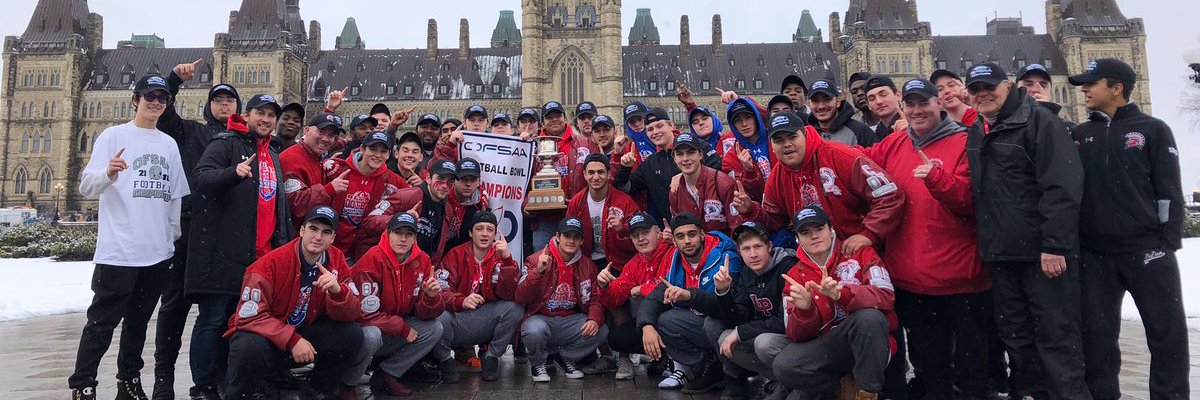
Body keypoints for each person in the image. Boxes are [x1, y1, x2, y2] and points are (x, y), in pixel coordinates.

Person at [963, 62, 1089, 399]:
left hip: (1042, 256)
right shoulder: (978, 130)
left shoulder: (1040, 122)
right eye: (975, 90)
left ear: (1008, 86)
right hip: (1003, 254)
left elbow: (1061, 187)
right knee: (1016, 337)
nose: (982, 94)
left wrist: (1055, 245)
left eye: (989, 86)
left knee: (1057, 339)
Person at [862, 78, 992, 399]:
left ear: (938, 103)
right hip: (913, 283)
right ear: (903, 107)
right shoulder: (895, 143)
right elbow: (858, 159)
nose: (918, 110)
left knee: (972, 370)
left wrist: (936, 178)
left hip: (961, 282)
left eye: (924, 103)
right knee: (929, 368)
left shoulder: (966, 141)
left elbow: (973, 201)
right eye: (912, 104)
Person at [1070, 58, 1188, 400]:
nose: (1085, 90)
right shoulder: (1081, 134)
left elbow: (1169, 190)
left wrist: (1166, 242)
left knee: (1167, 335)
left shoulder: (1153, 129)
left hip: (1147, 250)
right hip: (1096, 256)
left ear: (1116, 87)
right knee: (1097, 337)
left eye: (1092, 83)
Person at [70, 74, 190, 400]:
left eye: (161, 97)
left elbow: (174, 196)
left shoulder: (168, 144)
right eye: (148, 95)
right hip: (119, 252)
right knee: (101, 324)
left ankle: (129, 382)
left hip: (155, 254)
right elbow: (86, 186)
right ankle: (84, 384)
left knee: (137, 324)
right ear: (135, 99)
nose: (155, 102)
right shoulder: (113, 136)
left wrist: (170, 240)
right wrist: (108, 173)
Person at [186, 94, 293, 399]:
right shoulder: (226, 143)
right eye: (260, 113)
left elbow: (277, 207)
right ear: (247, 115)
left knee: (243, 321)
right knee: (213, 320)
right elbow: (202, 179)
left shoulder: (271, 154)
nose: (266, 119)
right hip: (224, 254)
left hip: (259, 258)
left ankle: (232, 382)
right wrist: (232, 173)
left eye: (271, 115)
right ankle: (203, 386)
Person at [151, 59, 240, 399]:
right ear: (209, 106)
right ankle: (164, 377)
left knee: (217, 312)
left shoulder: (242, 141)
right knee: (174, 307)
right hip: (188, 231)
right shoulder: (190, 131)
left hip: (224, 236)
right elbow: (163, 113)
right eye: (218, 100)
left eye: (229, 100)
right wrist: (173, 80)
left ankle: (213, 376)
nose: (223, 105)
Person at [224, 206, 363, 400]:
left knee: (352, 334)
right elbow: (248, 316)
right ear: (302, 230)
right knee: (248, 345)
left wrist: (338, 293)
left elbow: (355, 311)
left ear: (332, 238)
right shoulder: (269, 264)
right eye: (313, 229)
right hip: (270, 341)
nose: (318, 237)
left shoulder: (337, 260)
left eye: (326, 232)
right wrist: (291, 339)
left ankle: (317, 392)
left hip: (304, 335)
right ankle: (247, 393)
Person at [732, 110, 905, 258]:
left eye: (792, 137)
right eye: (779, 140)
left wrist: (869, 233)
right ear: (771, 144)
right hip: (817, 262)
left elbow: (889, 194)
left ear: (805, 134)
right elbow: (774, 221)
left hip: (860, 255)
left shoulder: (841, 156)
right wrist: (750, 210)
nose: (787, 145)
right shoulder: (777, 177)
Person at [767, 206, 897, 400]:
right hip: (830, 346)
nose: (814, 236)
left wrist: (842, 294)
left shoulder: (861, 253)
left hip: (870, 343)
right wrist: (805, 311)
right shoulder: (794, 275)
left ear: (831, 229)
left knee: (870, 318)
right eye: (805, 232)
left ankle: (868, 393)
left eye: (819, 229)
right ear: (797, 239)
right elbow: (795, 336)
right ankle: (842, 390)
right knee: (784, 365)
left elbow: (886, 296)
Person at [636, 213, 744, 394]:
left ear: (702, 234)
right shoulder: (677, 261)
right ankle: (710, 366)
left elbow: (727, 309)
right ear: (674, 242)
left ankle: (736, 379)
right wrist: (646, 326)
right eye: (680, 236)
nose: (687, 241)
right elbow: (653, 299)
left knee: (712, 324)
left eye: (691, 234)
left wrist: (690, 296)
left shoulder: (725, 257)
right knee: (663, 320)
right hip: (703, 325)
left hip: (731, 324)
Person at [345, 212, 447, 397]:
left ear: (415, 237)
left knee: (434, 328)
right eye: (398, 233)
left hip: (393, 327)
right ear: (388, 233)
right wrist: (401, 328)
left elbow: (422, 312)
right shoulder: (372, 259)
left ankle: (387, 374)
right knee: (372, 336)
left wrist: (430, 297)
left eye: (409, 234)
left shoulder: (422, 260)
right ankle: (347, 384)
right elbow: (364, 314)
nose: (403, 239)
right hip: (366, 330)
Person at [433, 211, 524, 382]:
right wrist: (461, 300)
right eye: (479, 229)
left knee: (514, 308)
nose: (484, 233)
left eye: (490, 229)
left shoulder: (502, 258)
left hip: (484, 319)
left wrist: (507, 262)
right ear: (470, 232)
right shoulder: (455, 254)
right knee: (438, 315)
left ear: (495, 234)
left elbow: (509, 294)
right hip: (458, 318)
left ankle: (491, 357)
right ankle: (445, 360)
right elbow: (441, 291)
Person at [517, 217, 609, 383]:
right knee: (533, 331)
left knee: (601, 329)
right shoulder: (535, 259)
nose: (571, 240)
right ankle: (538, 363)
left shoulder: (588, 265)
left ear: (582, 240)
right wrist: (538, 271)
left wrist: (594, 319)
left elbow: (595, 298)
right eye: (567, 236)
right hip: (540, 318)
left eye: (576, 237)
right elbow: (520, 296)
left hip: (569, 321)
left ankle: (564, 357)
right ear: (558, 236)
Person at [714, 222, 798, 400]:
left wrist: (740, 333)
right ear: (739, 251)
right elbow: (736, 318)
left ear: (769, 246)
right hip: (769, 335)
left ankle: (794, 382)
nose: (753, 254)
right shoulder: (747, 273)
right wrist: (723, 292)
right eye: (746, 249)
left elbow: (784, 321)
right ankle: (780, 381)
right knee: (724, 338)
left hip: (795, 339)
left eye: (758, 246)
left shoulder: (788, 268)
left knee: (763, 342)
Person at [597, 213, 674, 381]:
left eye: (645, 232)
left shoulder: (672, 252)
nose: (641, 238)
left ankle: (675, 358)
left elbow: (673, 289)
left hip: (673, 317)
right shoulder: (634, 263)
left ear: (658, 233)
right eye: (635, 235)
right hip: (649, 320)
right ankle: (657, 357)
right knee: (616, 338)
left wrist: (642, 289)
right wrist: (603, 286)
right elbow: (615, 296)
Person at [614, 108, 720, 221]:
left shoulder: (696, 145)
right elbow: (625, 187)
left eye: (659, 126)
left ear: (671, 125)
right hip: (674, 230)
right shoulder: (650, 164)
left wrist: (686, 177)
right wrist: (625, 167)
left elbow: (718, 170)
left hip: (709, 221)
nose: (655, 132)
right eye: (650, 129)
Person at [326, 131, 416, 261]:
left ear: (389, 154)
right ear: (362, 149)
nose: (377, 155)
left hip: (366, 255)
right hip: (331, 250)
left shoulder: (395, 182)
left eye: (383, 151)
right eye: (373, 149)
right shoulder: (337, 169)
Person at [527, 101, 600, 250]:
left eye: (558, 115)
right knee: (543, 264)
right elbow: (520, 181)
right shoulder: (531, 146)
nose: (554, 119)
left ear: (566, 118)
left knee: (578, 264)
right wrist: (527, 205)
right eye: (549, 117)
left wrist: (578, 202)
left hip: (577, 215)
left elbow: (599, 176)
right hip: (543, 218)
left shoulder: (585, 144)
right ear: (543, 122)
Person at [566, 153, 640, 268]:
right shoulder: (576, 202)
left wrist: (622, 228)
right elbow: (568, 234)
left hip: (620, 264)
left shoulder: (624, 201)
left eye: (600, 172)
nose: (596, 177)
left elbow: (640, 233)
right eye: (591, 172)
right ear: (584, 174)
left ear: (609, 174)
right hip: (587, 263)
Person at [280, 113, 344, 232]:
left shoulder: (316, 157)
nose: (325, 139)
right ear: (306, 130)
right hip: (292, 236)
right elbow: (295, 204)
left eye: (331, 135)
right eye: (321, 132)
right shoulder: (291, 158)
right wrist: (329, 189)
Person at [668, 133, 741, 234]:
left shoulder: (723, 183)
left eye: (691, 152)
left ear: (700, 155)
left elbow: (737, 228)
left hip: (724, 247)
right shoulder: (675, 191)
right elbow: (680, 229)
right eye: (680, 154)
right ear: (674, 158)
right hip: (693, 248)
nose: (685, 158)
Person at [805, 79, 879, 147]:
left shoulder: (859, 131)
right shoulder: (806, 134)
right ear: (808, 103)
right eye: (815, 101)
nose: (821, 106)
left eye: (827, 99)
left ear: (838, 102)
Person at [722, 98, 774, 193]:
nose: (744, 124)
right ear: (733, 125)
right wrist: (749, 172)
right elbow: (746, 194)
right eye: (738, 120)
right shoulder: (730, 159)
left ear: (756, 117)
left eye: (748, 117)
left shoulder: (776, 140)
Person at [413, 160, 460, 264]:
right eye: (440, 179)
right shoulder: (411, 195)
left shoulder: (448, 210)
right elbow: (370, 221)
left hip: (424, 269)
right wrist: (400, 219)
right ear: (428, 178)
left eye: (450, 182)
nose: (445, 185)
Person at [676, 81, 737, 158]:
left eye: (705, 118)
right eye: (695, 122)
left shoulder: (730, 140)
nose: (701, 123)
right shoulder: (693, 150)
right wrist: (690, 105)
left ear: (714, 120)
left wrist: (736, 102)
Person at [443, 157, 491, 251]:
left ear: (478, 182)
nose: (468, 184)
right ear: (454, 180)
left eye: (472, 180)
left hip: (465, 256)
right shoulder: (443, 196)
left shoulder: (481, 202)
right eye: (463, 179)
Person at [1018, 63, 1076, 129]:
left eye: (1043, 86)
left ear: (1050, 93)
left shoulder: (1068, 130)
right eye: (1028, 85)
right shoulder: (1006, 128)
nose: (1036, 90)